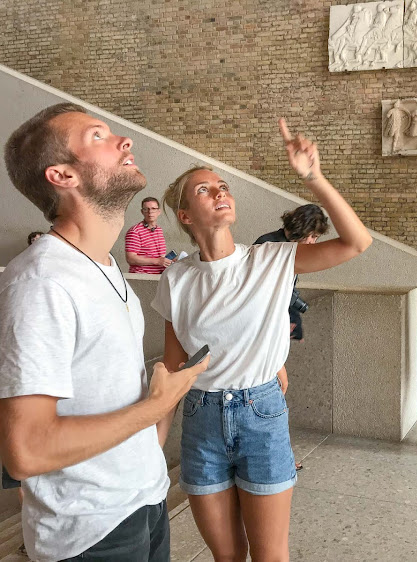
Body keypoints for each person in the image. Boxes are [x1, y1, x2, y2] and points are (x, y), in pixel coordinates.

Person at [152, 118, 371, 562]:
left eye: (223, 186)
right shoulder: (177, 278)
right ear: (185, 215)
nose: (220, 193)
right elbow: (172, 372)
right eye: (204, 190)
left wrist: (314, 178)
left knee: (270, 556)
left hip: (261, 413)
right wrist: (153, 450)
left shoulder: (271, 258)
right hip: (201, 418)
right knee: (227, 556)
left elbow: (356, 242)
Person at [0, 103, 209, 562]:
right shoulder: (41, 281)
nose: (124, 141)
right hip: (90, 532)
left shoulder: (105, 265)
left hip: (144, 501)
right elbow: (27, 451)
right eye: (98, 137)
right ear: (62, 176)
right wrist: (158, 404)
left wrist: (156, 425)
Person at [254, 203, 329, 341]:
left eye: (316, 237)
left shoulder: (291, 247)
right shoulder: (269, 245)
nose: (313, 242)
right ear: (301, 228)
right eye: (312, 236)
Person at [125, 196, 172, 274]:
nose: (150, 212)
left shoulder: (159, 230)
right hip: (141, 278)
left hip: (158, 277)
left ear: (159, 212)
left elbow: (160, 258)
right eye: (146, 209)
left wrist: (168, 261)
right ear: (142, 212)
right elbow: (131, 258)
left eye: (153, 209)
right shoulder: (135, 231)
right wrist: (157, 261)